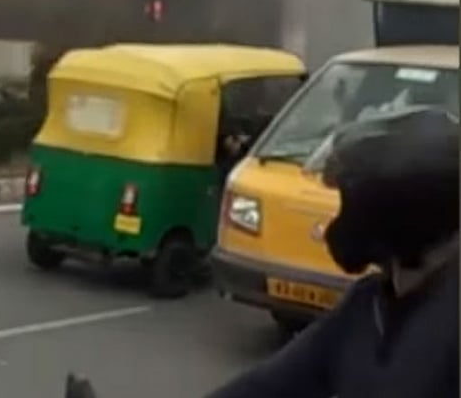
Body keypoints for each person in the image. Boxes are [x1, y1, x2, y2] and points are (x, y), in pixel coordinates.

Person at [66, 106, 459, 398]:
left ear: (396, 210)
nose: (331, 225)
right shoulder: (367, 309)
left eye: (348, 203)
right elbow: (262, 390)